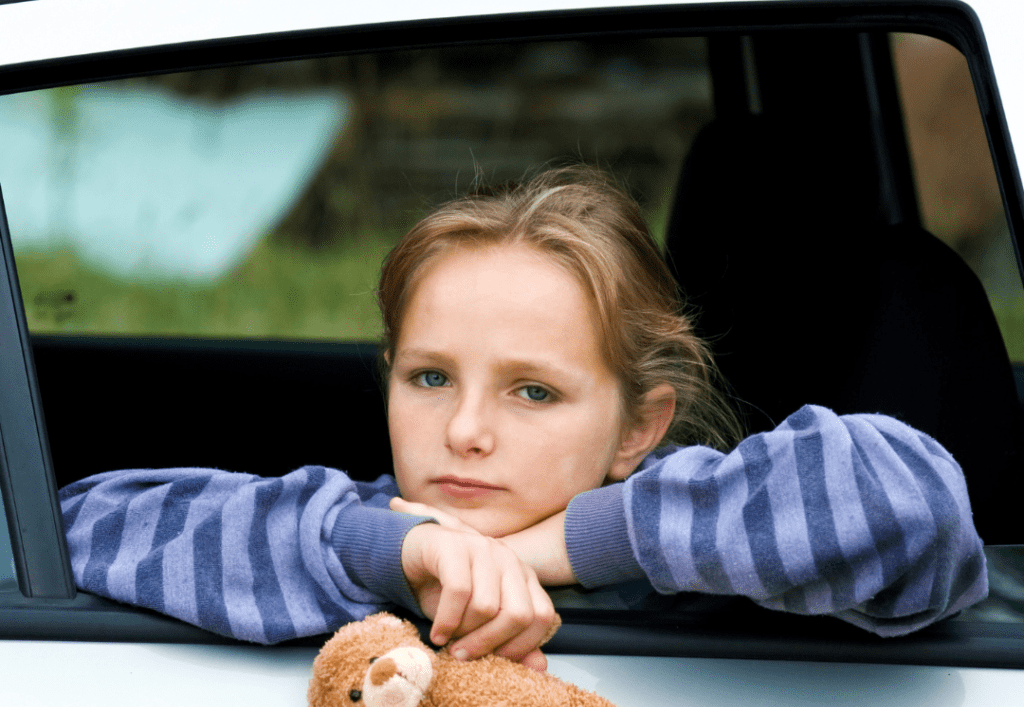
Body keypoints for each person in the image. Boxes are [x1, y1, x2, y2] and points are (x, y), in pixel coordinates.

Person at [59, 167, 988, 669]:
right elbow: (74, 526)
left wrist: (562, 549)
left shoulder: (716, 548)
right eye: (429, 378)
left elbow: (905, 500)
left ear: (638, 429)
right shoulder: (353, 527)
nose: (464, 430)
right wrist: (389, 552)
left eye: (532, 391)